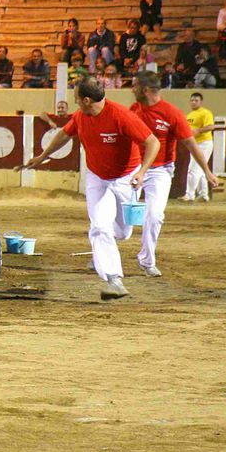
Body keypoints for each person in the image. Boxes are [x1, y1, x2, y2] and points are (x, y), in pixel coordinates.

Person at [18, 76, 160, 301]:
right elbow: (65, 134)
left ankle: (101, 252)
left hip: (125, 177)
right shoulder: (80, 116)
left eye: (76, 99)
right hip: (96, 177)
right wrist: (43, 156)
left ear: (86, 100)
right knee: (100, 227)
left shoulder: (122, 116)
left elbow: (153, 142)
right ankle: (114, 280)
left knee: (123, 232)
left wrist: (142, 172)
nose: (75, 103)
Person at [129, 71, 217, 277]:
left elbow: (191, 144)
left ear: (145, 90)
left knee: (154, 215)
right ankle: (104, 250)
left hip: (160, 170)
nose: (131, 90)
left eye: (134, 86)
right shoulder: (134, 109)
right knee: (120, 217)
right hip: (133, 167)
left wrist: (207, 171)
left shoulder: (172, 113)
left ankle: (147, 260)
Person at [183, 92, 216, 202]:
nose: (193, 102)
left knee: (193, 168)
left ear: (200, 102)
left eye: (196, 100)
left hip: (204, 143)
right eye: (192, 100)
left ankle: (189, 195)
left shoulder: (206, 113)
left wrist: (198, 130)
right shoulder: (189, 115)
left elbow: (211, 126)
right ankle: (203, 194)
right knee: (200, 169)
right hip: (195, 144)